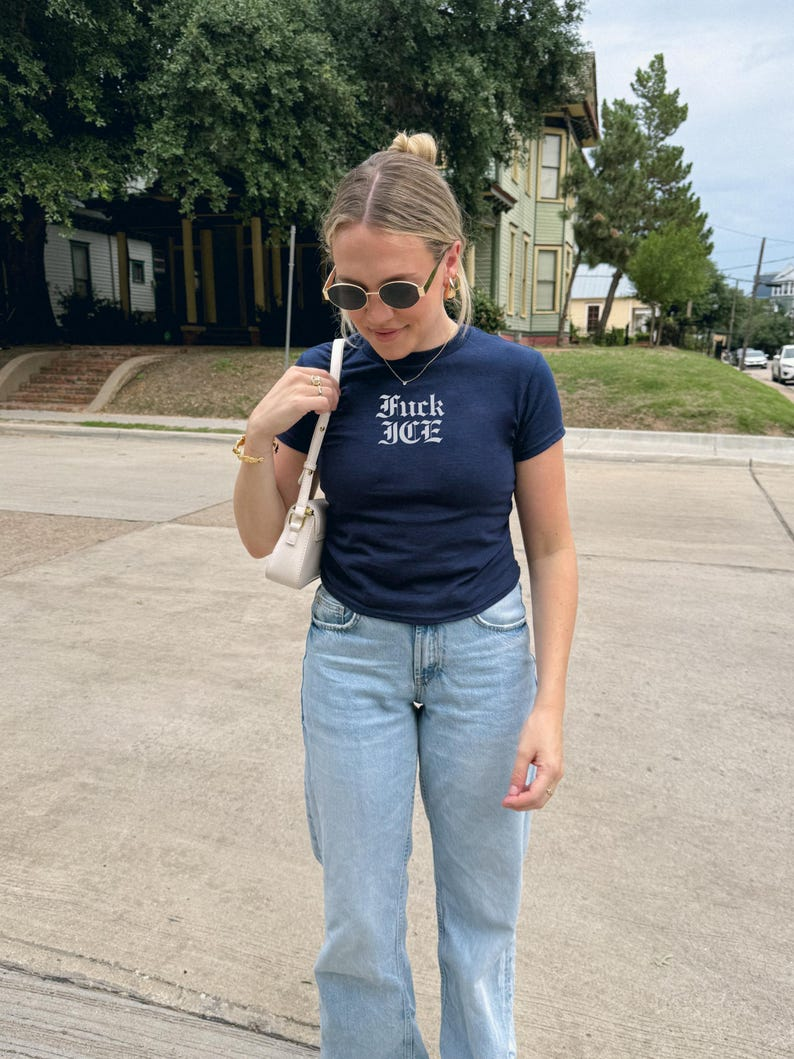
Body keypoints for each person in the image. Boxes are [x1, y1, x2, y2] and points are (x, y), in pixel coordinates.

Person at [233, 131, 578, 1059]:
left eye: (397, 289)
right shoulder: (325, 370)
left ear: (451, 263)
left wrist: (547, 702)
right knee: (358, 920)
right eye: (349, 292)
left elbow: (549, 546)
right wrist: (256, 434)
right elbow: (263, 533)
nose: (373, 314)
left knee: (481, 916)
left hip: (485, 658)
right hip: (353, 656)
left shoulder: (515, 377)